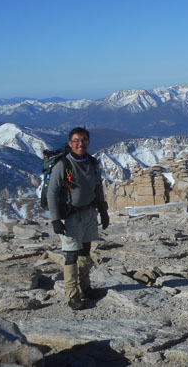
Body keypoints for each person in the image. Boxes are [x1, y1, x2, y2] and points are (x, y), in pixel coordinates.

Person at [47, 127, 110, 310]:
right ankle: (72, 295)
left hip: (89, 212)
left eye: (83, 140)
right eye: (76, 140)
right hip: (70, 215)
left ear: (88, 142)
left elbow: (98, 187)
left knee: (85, 251)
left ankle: (86, 287)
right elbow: (52, 192)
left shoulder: (91, 162)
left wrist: (103, 211)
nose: (80, 144)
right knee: (71, 255)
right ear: (70, 143)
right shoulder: (63, 165)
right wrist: (55, 219)